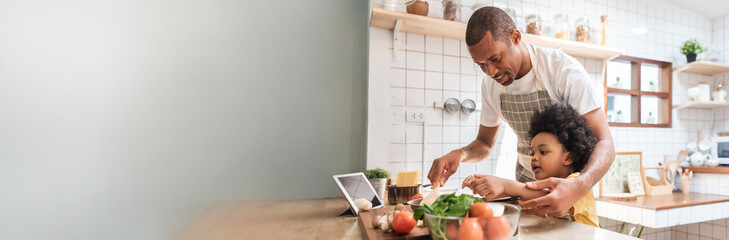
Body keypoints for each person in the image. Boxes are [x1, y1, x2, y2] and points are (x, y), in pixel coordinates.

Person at [426, 6, 615, 218]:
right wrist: (459, 155)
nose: (491, 72)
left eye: (495, 59)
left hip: (568, 193)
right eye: (481, 65)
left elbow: (605, 142)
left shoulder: (562, 70)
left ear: (515, 37)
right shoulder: (490, 86)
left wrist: (580, 185)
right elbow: (485, 144)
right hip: (524, 192)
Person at [462, 104, 599, 227]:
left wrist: (504, 185)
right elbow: (517, 200)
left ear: (568, 157)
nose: (534, 158)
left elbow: (547, 196)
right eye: (532, 153)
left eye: (543, 152)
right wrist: (485, 187)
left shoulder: (578, 182)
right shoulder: (538, 187)